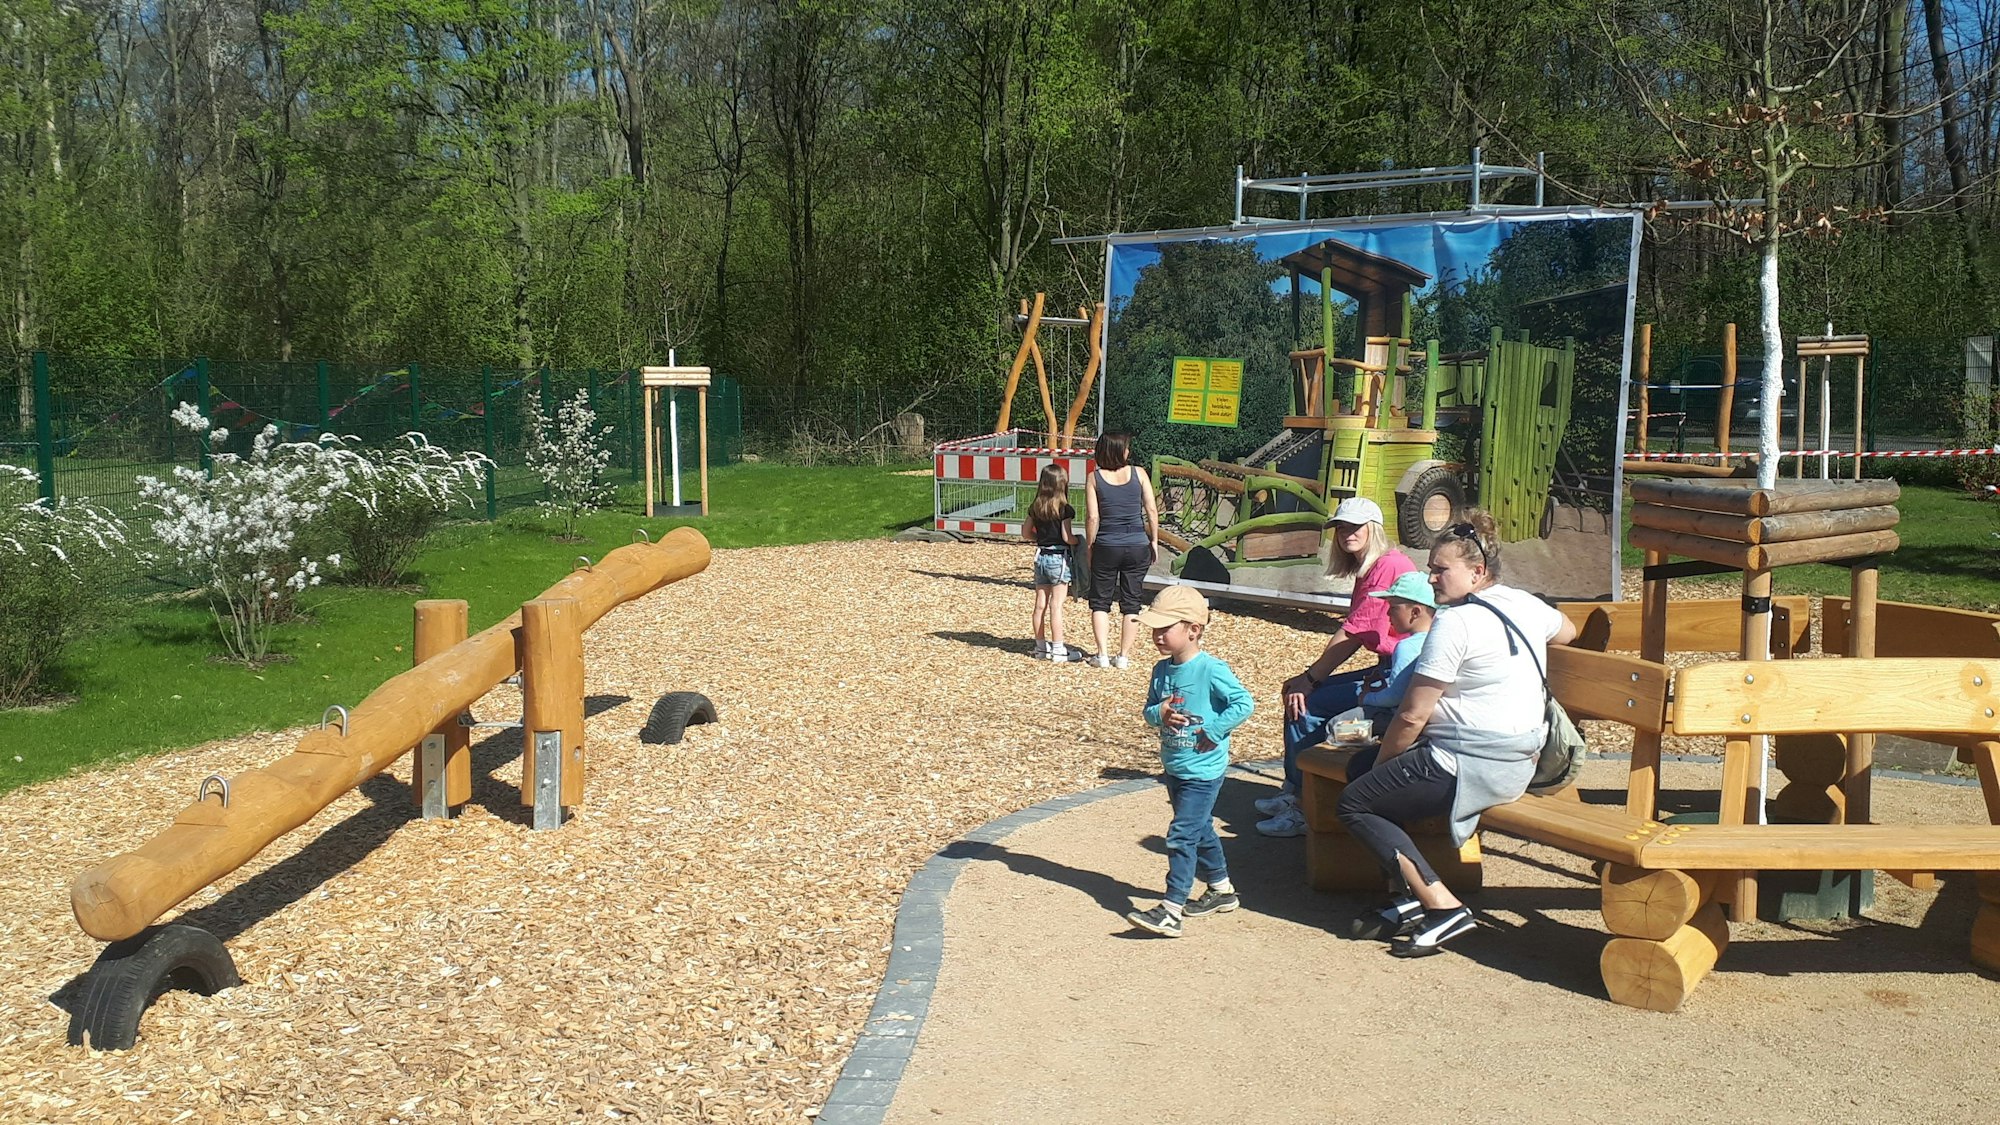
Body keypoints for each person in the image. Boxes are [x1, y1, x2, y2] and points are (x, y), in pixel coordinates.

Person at [1335, 510, 1578, 957]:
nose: (1430, 579)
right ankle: (1406, 897)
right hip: (1518, 754)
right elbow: (1569, 630)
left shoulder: (1454, 622)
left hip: (1474, 761)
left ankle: (1444, 907)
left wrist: (1386, 767)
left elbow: (1411, 715)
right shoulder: (1522, 602)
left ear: (1477, 571)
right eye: (1430, 567)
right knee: (1359, 768)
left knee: (1357, 801)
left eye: (1440, 569)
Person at [1255, 497, 1417, 835]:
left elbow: (1354, 633)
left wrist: (1310, 679)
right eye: (1341, 526)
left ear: (1374, 528)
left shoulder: (1387, 566)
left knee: (1308, 703)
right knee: (1304, 695)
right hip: (1391, 668)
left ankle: (1303, 805)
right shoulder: (1371, 566)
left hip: (1402, 675)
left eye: (1355, 526)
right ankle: (1295, 790)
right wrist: (1309, 679)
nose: (1346, 533)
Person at [1124, 585, 1255, 938]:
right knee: (1199, 829)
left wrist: (1213, 730)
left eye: (1165, 628)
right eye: (1154, 628)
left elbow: (1244, 704)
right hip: (1175, 764)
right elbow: (1150, 709)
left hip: (1204, 769)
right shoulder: (1161, 670)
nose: (1157, 636)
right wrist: (1159, 713)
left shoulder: (1211, 669)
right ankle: (1222, 891)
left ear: (1193, 630)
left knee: (1182, 834)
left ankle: (1171, 909)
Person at [1084, 431, 1160, 669]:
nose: (1129, 451)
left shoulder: (1094, 478)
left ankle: (1103, 654)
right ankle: (1123, 656)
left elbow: (1093, 516)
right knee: (1132, 602)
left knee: (1100, 601)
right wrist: (1154, 541)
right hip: (1137, 543)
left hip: (1107, 544)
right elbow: (1152, 510)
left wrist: (1090, 545)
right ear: (1119, 450)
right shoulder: (1140, 473)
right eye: (1127, 447)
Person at [1023, 464, 1078, 662]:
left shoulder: (1035, 507)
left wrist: (1040, 538)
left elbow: (1025, 533)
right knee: (1056, 606)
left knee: (1040, 605)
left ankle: (1040, 647)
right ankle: (1058, 649)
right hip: (1058, 558)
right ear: (1062, 485)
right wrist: (1077, 541)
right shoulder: (1065, 509)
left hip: (1041, 556)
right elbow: (1066, 536)